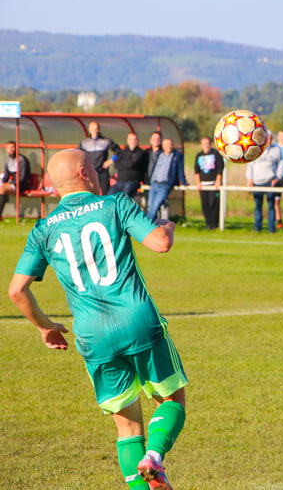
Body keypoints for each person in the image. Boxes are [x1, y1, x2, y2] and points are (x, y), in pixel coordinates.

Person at [8, 149, 187, 490]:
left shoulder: (43, 229)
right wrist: (167, 227)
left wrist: (45, 327)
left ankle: (141, 477)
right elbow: (160, 243)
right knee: (171, 400)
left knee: (128, 427)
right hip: (136, 321)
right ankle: (155, 456)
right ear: (85, 173)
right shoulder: (115, 205)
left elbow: (16, 291)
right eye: (94, 167)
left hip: (92, 335)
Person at [245, 132, 283, 233]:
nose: (269, 140)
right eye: (267, 138)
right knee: (258, 205)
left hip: (270, 181)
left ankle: (272, 228)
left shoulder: (276, 150)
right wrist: (250, 179)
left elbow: (281, 164)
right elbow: (250, 164)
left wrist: (277, 178)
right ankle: (257, 227)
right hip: (258, 181)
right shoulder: (255, 149)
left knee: (271, 205)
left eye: (270, 138)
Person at [146, 138, 187, 221]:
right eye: (167, 145)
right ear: (163, 146)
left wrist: (184, 182)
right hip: (154, 183)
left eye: (170, 144)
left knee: (155, 206)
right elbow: (154, 168)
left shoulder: (177, 155)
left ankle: (146, 226)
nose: (169, 146)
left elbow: (180, 169)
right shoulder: (159, 154)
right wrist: (149, 180)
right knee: (150, 206)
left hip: (165, 185)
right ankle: (153, 226)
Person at [78, 121, 120, 195]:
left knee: (106, 194)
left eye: (96, 129)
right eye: (93, 129)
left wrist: (110, 161)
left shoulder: (106, 141)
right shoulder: (84, 143)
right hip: (90, 172)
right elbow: (77, 154)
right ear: (89, 130)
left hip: (102, 172)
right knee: (90, 193)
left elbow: (118, 151)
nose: (95, 131)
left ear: (99, 129)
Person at [193, 136, 224, 230]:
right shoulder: (199, 155)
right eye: (204, 144)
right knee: (205, 204)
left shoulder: (216, 154)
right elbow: (196, 170)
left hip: (214, 184)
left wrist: (218, 181)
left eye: (208, 143)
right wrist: (198, 183)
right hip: (203, 185)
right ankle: (208, 223)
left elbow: (220, 168)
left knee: (213, 204)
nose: (206, 146)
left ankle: (215, 224)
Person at [108, 133, 149, 199]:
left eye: (135, 139)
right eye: (131, 139)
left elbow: (132, 164)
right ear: (128, 140)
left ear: (137, 140)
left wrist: (124, 164)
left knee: (125, 198)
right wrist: (128, 164)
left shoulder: (141, 153)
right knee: (109, 197)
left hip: (132, 181)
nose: (133, 141)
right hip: (119, 181)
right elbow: (116, 164)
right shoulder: (123, 152)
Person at [0, 140, 31, 219]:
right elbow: (6, 175)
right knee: (1, 187)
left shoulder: (22, 160)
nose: (11, 149)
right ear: (6, 149)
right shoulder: (8, 160)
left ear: (16, 148)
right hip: (12, 184)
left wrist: (10, 184)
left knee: (2, 189)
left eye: (13, 147)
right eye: (9, 147)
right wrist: (3, 182)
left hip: (21, 184)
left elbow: (22, 177)